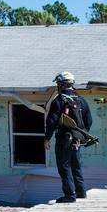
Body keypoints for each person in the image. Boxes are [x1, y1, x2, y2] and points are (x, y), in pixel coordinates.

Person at [44, 71, 93, 203]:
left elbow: (51, 122)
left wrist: (47, 138)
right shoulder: (81, 100)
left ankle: (69, 195)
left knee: (64, 166)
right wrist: (80, 135)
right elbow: (89, 121)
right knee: (76, 165)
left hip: (63, 139)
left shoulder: (59, 101)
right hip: (77, 140)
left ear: (61, 84)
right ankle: (81, 192)